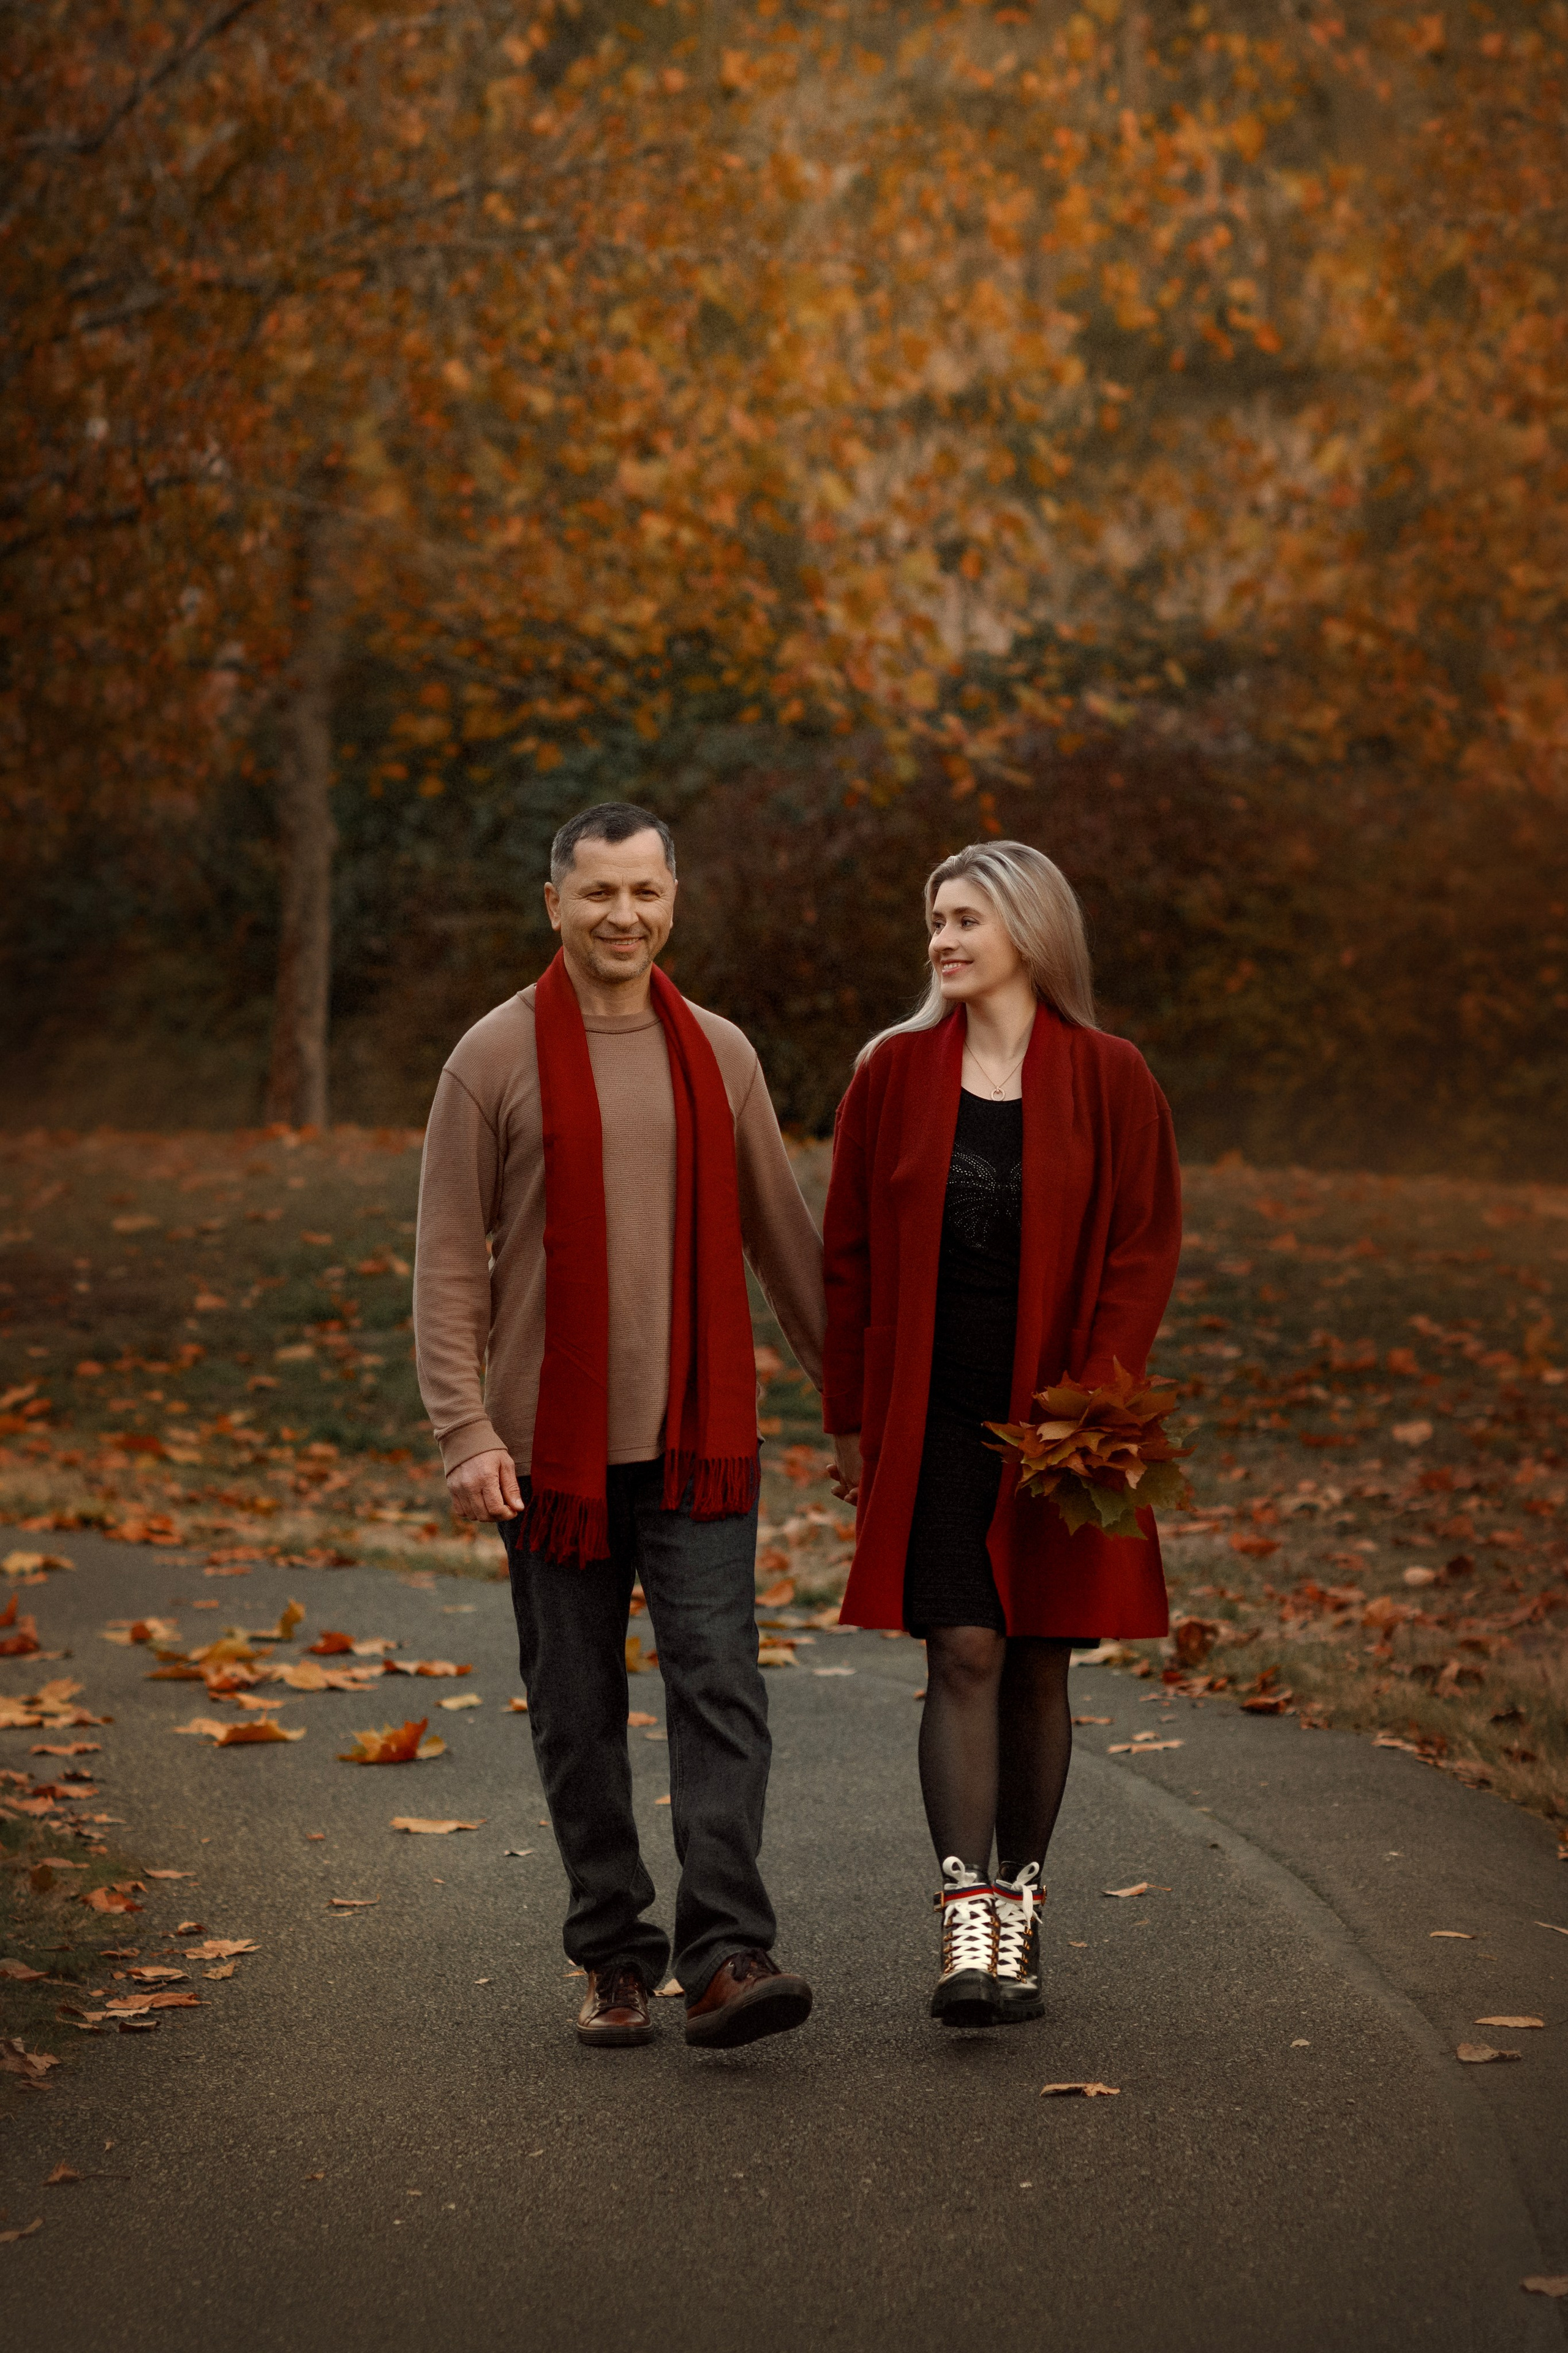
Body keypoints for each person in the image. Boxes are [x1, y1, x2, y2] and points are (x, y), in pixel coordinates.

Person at [413, 802, 825, 2051]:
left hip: (698, 1442)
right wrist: (465, 1430)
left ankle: (723, 1954)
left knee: (720, 1690)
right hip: (548, 1458)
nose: (622, 915)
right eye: (597, 892)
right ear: (554, 903)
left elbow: (786, 1245)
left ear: (672, 897)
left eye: (643, 891)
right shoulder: (492, 1057)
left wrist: (855, 1412)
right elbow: (446, 1264)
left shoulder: (721, 1052)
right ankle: (611, 1953)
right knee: (575, 1710)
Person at [822, 841, 1181, 2028]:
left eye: (966, 916)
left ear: (1030, 930)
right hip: (929, 1413)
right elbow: (849, 1260)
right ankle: (964, 1925)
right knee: (959, 1648)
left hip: (1064, 1420)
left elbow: (1141, 1246)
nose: (941, 938)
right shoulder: (891, 1074)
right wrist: (849, 1419)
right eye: (933, 917)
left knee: (1036, 1661)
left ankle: (1021, 1903)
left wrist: (1093, 1404)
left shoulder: (1111, 1075)